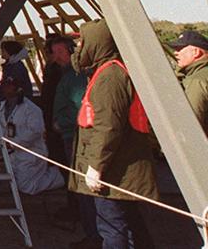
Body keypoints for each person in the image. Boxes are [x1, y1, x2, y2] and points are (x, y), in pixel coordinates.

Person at [69, 19, 156, 249]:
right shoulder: (110, 71)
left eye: (82, 41)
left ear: (97, 43)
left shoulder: (109, 77)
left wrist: (96, 167)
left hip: (114, 171)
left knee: (112, 227)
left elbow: (108, 126)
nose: (79, 47)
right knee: (127, 224)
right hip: (118, 166)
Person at [48, 34, 99, 248]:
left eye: (61, 52)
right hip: (70, 137)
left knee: (86, 191)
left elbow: (83, 109)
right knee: (80, 190)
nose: (57, 57)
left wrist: (62, 123)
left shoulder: (77, 78)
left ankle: (96, 237)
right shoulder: (67, 76)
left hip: (77, 139)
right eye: (54, 53)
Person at [0, 73, 65, 195]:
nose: (3, 87)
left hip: (31, 153)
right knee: (14, 184)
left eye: (7, 85)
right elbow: (0, 127)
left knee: (27, 187)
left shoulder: (32, 109)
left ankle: (60, 176)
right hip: (13, 155)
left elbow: (34, 132)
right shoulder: (2, 107)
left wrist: (13, 144)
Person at [170, 30, 208, 133]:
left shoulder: (197, 81)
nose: (175, 53)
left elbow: (190, 125)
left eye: (179, 48)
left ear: (196, 52)